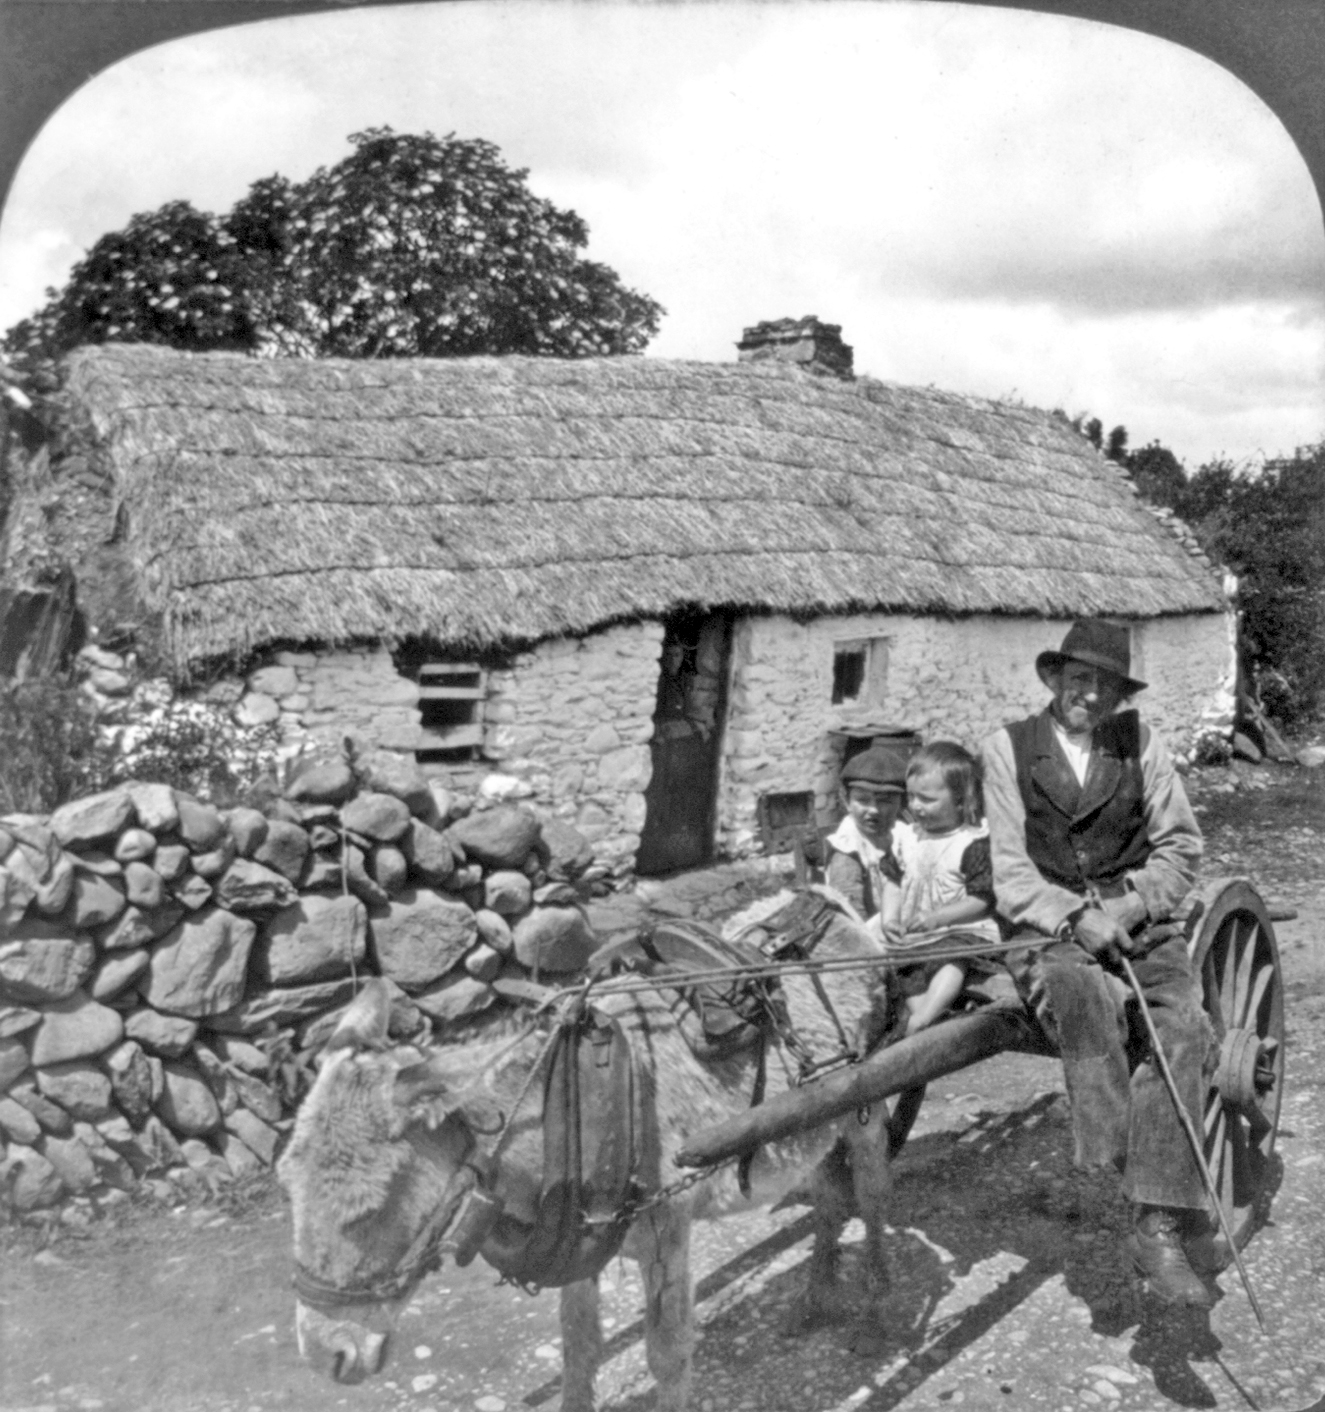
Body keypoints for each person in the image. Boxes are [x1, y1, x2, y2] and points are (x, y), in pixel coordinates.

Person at [982, 619, 1214, 1308]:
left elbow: (1180, 849)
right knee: (1073, 985)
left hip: (1137, 916)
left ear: (1118, 693)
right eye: (1077, 679)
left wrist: (1130, 908)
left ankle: (1155, 1226)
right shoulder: (1006, 749)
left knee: (1184, 1027)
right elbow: (1008, 873)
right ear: (1053, 679)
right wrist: (1076, 917)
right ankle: (1122, 1159)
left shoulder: (1139, 743)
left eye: (1103, 685)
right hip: (1045, 921)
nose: (1089, 695)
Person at [885, 742, 1001, 1036]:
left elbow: (982, 900)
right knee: (901, 964)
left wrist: (939, 918)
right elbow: (893, 882)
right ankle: (925, 1017)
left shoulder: (970, 843)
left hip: (961, 930)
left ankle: (924, 1017)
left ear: (962, 800)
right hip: (917, 934)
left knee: (953, 959)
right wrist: (890, 918)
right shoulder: (907, 839)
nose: (915, 806)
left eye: (927, 799)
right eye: (911, 796)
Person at [823, 743, 907, 920]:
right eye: (863, 800)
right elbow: (851, 914)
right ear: (846, 801)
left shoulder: (902, 833)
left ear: (901, 803)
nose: (874, 810)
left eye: (885, 801)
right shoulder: (847, 849)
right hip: (873, 933)